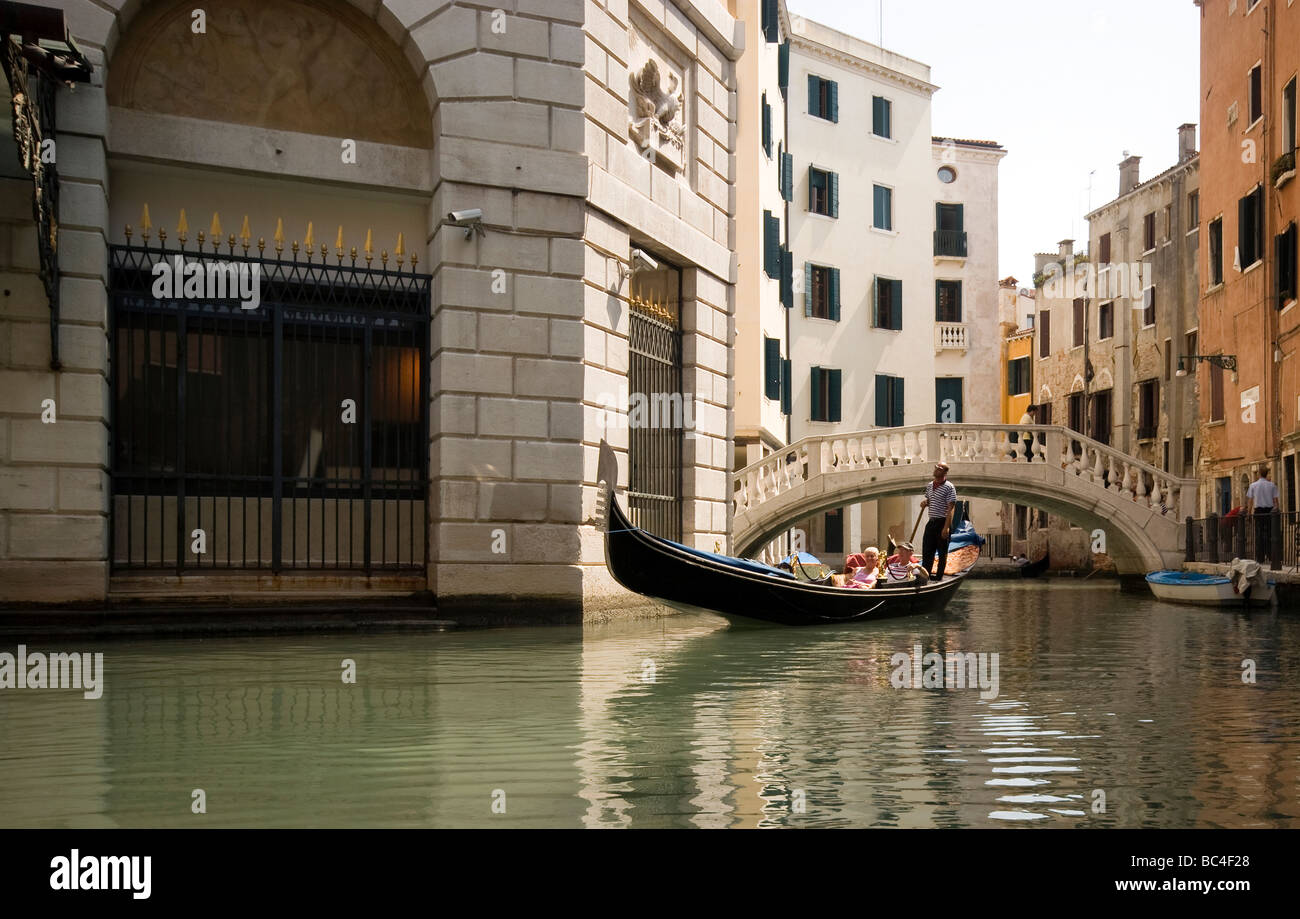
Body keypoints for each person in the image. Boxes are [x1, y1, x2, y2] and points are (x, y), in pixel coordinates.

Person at [920, 462, 957, 581]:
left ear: (944, 472)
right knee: (927, 550)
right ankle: (925, 576)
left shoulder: (949, 487)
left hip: (942, 522)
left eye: (939, 469)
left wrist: (946, 527)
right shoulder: (930, 485)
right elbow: (930, 500)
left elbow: (950, 508)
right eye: (935, 467)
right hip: (931, 522)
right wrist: (925, 503)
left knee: (942, 552)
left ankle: (939, 577)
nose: (936, 470)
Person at [1246, 465, 1279, 563]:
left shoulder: (1253, 485)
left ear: (1259, 474)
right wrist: (1277, 511)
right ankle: (1270, 556)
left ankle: (1260, 558)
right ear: (1267, 474)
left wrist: (1248, 513)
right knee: (1270, 534)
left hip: (1259, 512)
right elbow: (1275, 501)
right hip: (1270, 512)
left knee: (1259, 534)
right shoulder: (1272, 485)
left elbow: (1250, 501)